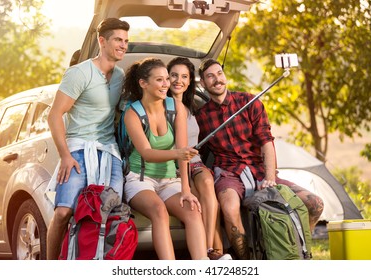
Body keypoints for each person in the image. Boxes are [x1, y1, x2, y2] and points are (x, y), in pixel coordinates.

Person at [195, 58, 324, 260]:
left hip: (260, 170)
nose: (217, 79)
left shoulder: (249, 101)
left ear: (225, 76)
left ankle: (299, 250)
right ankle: (248, 263)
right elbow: (194, 151)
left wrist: (270, 177)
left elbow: (266, 141)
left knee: (315, 203)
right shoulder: (200, 117)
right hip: (229, 173)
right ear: (203, 83)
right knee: (229, 209)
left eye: (219, 73)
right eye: (210, 76)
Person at [46, 18, 130, 260]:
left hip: (109, 152)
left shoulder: (121, 75)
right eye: (118, 40)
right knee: (64, 212)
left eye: (125, 41)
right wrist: (65, 155)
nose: (123, 45)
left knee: (110, 214)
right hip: (78, 150)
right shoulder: (78, 73)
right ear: (101, 41)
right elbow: (55, 115)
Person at [122, 57, 208, 260]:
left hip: (170, 179)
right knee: (159, 211)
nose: (166, 84)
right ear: (143, 83)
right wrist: (178, 153)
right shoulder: (132, 113)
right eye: (160, 80)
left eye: (166, 79)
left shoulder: (175, 107)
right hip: (141, 179)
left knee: (193, 211)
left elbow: (183, 151)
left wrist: (186, 190)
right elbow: (147, 153)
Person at [166, 57, 232, 260]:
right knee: (201, 202)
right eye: (174, 75)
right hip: (174, 165)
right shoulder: (163, 105)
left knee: (207, 183)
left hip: (195, 162)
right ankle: (213, 254)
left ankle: (209, 249)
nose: (179, 80)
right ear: (166, 78)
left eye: (184, 76)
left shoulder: (190, 107)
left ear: (190, 81)